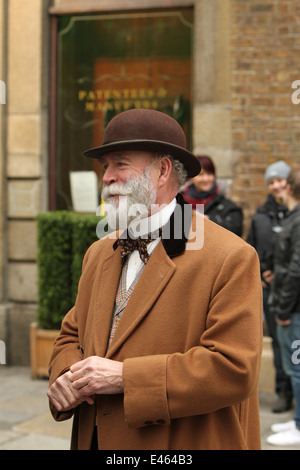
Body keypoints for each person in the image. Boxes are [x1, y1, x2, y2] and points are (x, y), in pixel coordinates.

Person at [47, 108, 262, 450]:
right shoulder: (98, 252)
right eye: (105, 167)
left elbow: (234, 369)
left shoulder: (230, 256)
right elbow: (71, 335)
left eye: (120, 163)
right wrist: (66, 376)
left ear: (162, 171)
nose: (106, 178)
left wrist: (124, 378)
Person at [247, 160, 293, 413]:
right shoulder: (261, 215)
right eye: (272, 181)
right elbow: (250, 248)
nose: (276, 185)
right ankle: (283, 391)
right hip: (270, 289)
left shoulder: (295, 213)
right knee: (277, 341)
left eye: (280, 180)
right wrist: (263, 271)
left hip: (293, 289)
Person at [267, 168, 300, 446]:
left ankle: (299, 426)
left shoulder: (298, 220)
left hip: (295, 310)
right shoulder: (293, 217)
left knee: (298, 368)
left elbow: (296, 269)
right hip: (292, 307)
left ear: (288, 188)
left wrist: (284, 310)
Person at [182, 155, 243, 236]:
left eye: (209, 174)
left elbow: (236, 233)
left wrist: (209, 221)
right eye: (201, 174)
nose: (206, 179)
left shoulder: (228, 207)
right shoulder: (177, 202)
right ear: (191, 177)